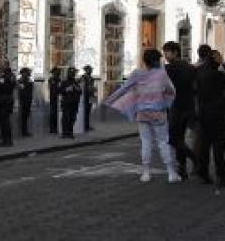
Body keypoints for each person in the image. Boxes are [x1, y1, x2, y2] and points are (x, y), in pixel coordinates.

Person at [106, 48, 180, 183]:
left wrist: (110, 100)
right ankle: (171, 173)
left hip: (142, 113)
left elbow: (124, 88)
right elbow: (171, 91)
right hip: (159, 113)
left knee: (146, 142)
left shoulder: (137, 74)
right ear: (157, 61)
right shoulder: (162, 74)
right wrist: (166, 103)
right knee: (163, 142)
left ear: (144, 61)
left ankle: (146, 173)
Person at [195, 45, 225, 187]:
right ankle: (221, 176)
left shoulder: (199, 72)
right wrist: (224, 62)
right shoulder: (217, 75)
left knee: (204, 144)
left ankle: (204, 173)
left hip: (203, 112)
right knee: (218, 145)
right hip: (216, 113)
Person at [163, 41, 198, 180]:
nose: (165, 55)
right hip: (189, 105)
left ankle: (194, 159)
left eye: (167, 52)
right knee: (180, 138)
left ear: (175, 52)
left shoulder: (169, 68)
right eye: (165, 52)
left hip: (176, 106)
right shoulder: (190, 67)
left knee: (174, 138)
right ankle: (182, 169)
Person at [0, 60, 17, 146]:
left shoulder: (4, 76)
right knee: (5, 121)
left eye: (2, 65)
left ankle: (7, 141)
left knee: (4, 122)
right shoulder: (12, 75)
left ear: (6, 66)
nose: (0, 67)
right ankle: (6, 140)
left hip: (4, 101)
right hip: (7, 100)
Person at [59, 67, 82, 138]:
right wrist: (67, 89)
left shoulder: (76, 82)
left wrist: (78, 89)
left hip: (74, 103)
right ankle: (64, 133)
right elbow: (60, 91)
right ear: (68, 73)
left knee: (73, 118)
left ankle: (70, 132)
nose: (73, 74)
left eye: (74, 73)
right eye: (71, 73)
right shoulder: (64, 82)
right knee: (66, 118)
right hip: (66, 103)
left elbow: (80, 92)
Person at [17, 67, 34, 137]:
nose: (28, 74)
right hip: (24, 101)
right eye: (27, 72)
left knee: (26, 116)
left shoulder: (28, 80)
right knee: (24, 117)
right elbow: (22, 90)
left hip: (27, 100)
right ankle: (24, 132)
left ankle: (25, 131)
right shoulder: (21, 81)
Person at [81, 65, 96, 132]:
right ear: (86, 70)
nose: (91, 71)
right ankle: (84, 126)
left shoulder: (91, 78)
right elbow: (83, 87)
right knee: (85, 112)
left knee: (89, 111)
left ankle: (87, 125)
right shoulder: (83, 77)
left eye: (91, 69)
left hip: (91, 96)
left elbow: (92, 87)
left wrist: (94, 90)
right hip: (86, 96)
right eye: (89, 69)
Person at [47, 66, 62, 135]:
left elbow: (60, 89)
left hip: (58, 99)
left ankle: (56, 128)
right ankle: (52, 129)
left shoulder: (59, 80)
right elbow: (53, 88)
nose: (57, 73)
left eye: (58, 72)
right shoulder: (51, 80)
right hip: (53, 99)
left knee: (57, 114)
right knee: (52, 114)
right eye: (56, 72)